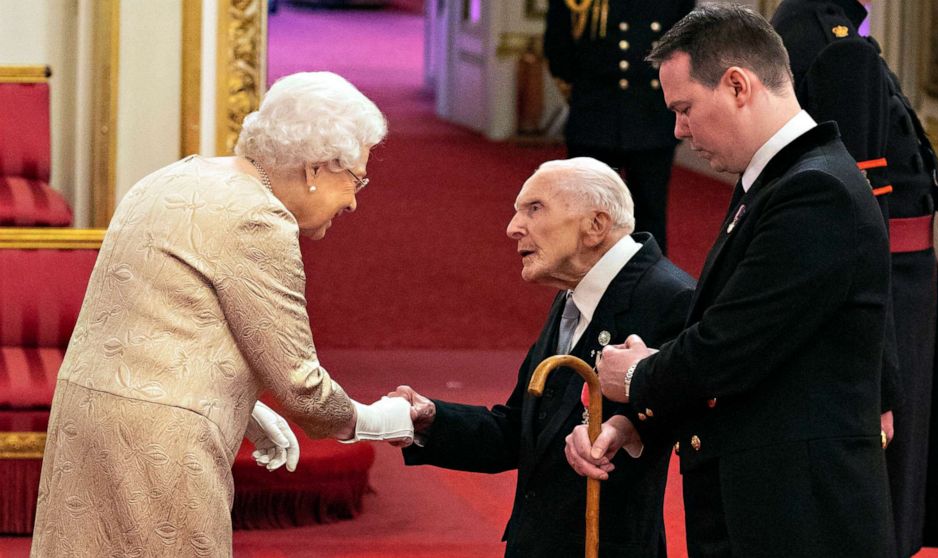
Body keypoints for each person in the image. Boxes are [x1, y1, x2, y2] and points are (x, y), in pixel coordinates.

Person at [30, 72, 414, 557]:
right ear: (317, 168)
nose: (355, 200)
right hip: (158, 444)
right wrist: (377, 419)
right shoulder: (258, 218)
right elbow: (299, 382)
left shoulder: (178, 175)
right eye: (355, 178)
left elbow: (159, 313)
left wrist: (244, 404)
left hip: (86, 416)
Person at [565, 5, 897, 556]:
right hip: (769, 500)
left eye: (685, 108)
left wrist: (641, 376)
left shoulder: (817, 191)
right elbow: (743, 332)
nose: (677, 129)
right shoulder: (779, 178)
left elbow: (733, 345)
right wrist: (639, 421)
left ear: (738, 85)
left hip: (802, 517)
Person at [391, 157, 695, 557]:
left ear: (595, 225)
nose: (513, 227)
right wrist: (432, 419)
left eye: (534, 209)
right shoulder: (574, 293)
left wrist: (625, 426)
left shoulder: (670, 297)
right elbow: (520, 430)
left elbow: (686, 418)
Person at [770, 2, 938, 555]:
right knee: (886, 457)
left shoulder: (834, 23)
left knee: (905, 455)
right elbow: (853, 194)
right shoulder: (820, 33)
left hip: (907, 276)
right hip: (885, 277)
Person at [543, 0, 695, 252]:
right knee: (588, 218)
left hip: (651, 119)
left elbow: (686, 47)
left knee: (649, 217)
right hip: (594, 118)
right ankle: (588, 288)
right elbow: (558, 49)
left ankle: (650, 289)